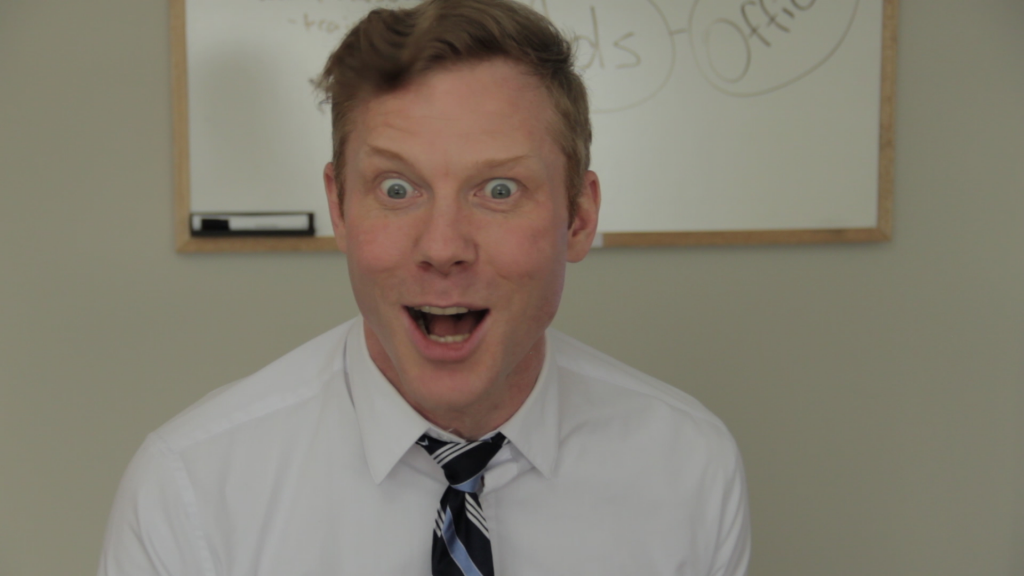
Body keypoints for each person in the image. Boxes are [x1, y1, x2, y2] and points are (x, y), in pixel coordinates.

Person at [98, 0, 750, 574]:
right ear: (340, 208)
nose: (443, 247)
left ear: (578, 216)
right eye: (397, 189)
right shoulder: (191, 490)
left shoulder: (689, 467)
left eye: (499, 190)